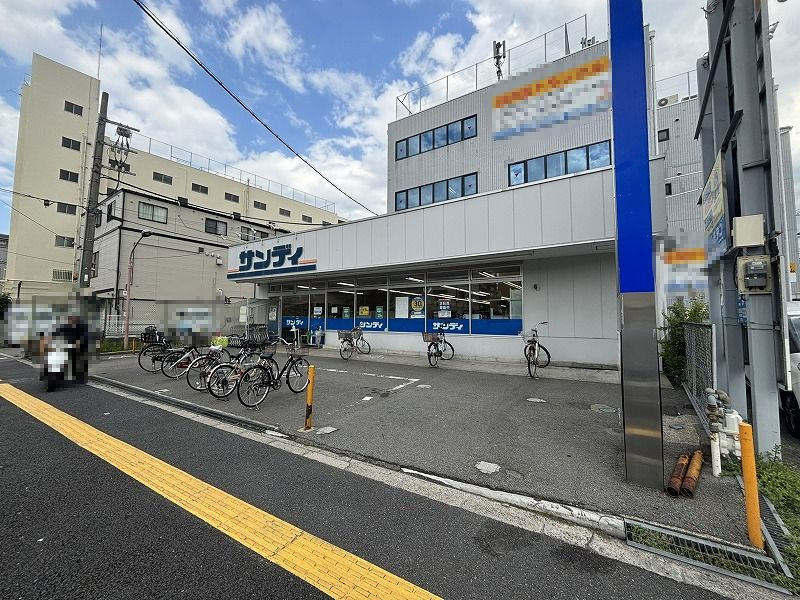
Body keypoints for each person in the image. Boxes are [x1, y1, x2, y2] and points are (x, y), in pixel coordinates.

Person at [54, 313, 89, 383]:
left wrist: (79, 342)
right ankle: (60, 374)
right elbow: (57, 333)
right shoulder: (65, 326)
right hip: (67, 345)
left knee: (78, 359)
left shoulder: (82, 326)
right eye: (70, 317)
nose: (71, 319)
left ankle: (82, 377)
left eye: (73, 317)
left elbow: (85, 335)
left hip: (80, 346)